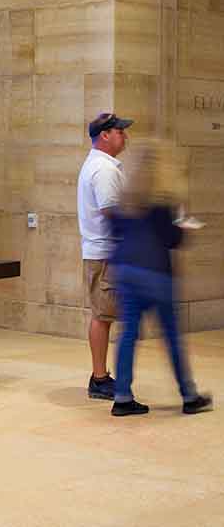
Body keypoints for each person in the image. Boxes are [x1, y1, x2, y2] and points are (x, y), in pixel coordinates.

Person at [108, 142, 212, 416]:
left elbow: (113, 228)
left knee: (128, 333)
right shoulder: (162, 201)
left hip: (125, 270)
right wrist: (184, 228)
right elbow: (172, 239)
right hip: (154, 272)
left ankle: (122, 396)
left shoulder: (126, 198)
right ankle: (189, 395)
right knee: (172, 336)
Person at [77, 112, 131, 399]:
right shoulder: (104, 170)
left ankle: (101, 376)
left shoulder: (100, 165)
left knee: (105, 315)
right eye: (120, 131)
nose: (125, 136)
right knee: (103, 315)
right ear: (105, 135)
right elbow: (113, 213)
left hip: (103, 252)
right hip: (107, 253)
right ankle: (99, 378)